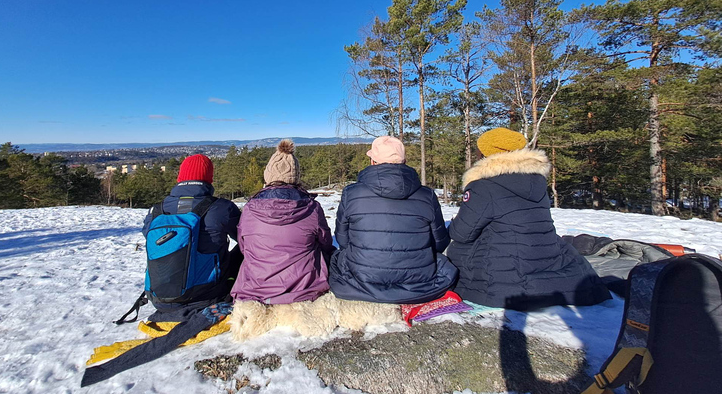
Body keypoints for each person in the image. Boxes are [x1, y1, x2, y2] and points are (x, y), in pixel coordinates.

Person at [447, 128, 611, 310]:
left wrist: (455, 222)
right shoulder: (537, 182)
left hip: (504, 272)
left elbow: (462, 233)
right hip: (545, 258)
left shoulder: (482, 186)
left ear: (486, 153)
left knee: (457, 249)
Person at [329, 136, 458, 304]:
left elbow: (342, 240)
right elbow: (440, 242)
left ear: (373, 161)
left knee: (334, 259)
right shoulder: (426, 195)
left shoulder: (351, 193)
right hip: (418, 280)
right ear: (404, 161)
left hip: (363, 277)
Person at [231, 139, 333, 304]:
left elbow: (244, 247)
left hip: (256, 289)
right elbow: (326, 244)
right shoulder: (311, 208)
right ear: (296, 176)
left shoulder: (250, 209)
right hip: (305, 289)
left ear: (268, 175)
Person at [142, 154, 242, 309]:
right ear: (209, 178)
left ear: (180, 177)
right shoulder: (221, 208)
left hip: (160, 299)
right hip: (208, 295)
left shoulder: (156, 211)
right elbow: (245, 238)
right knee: (242, 251)